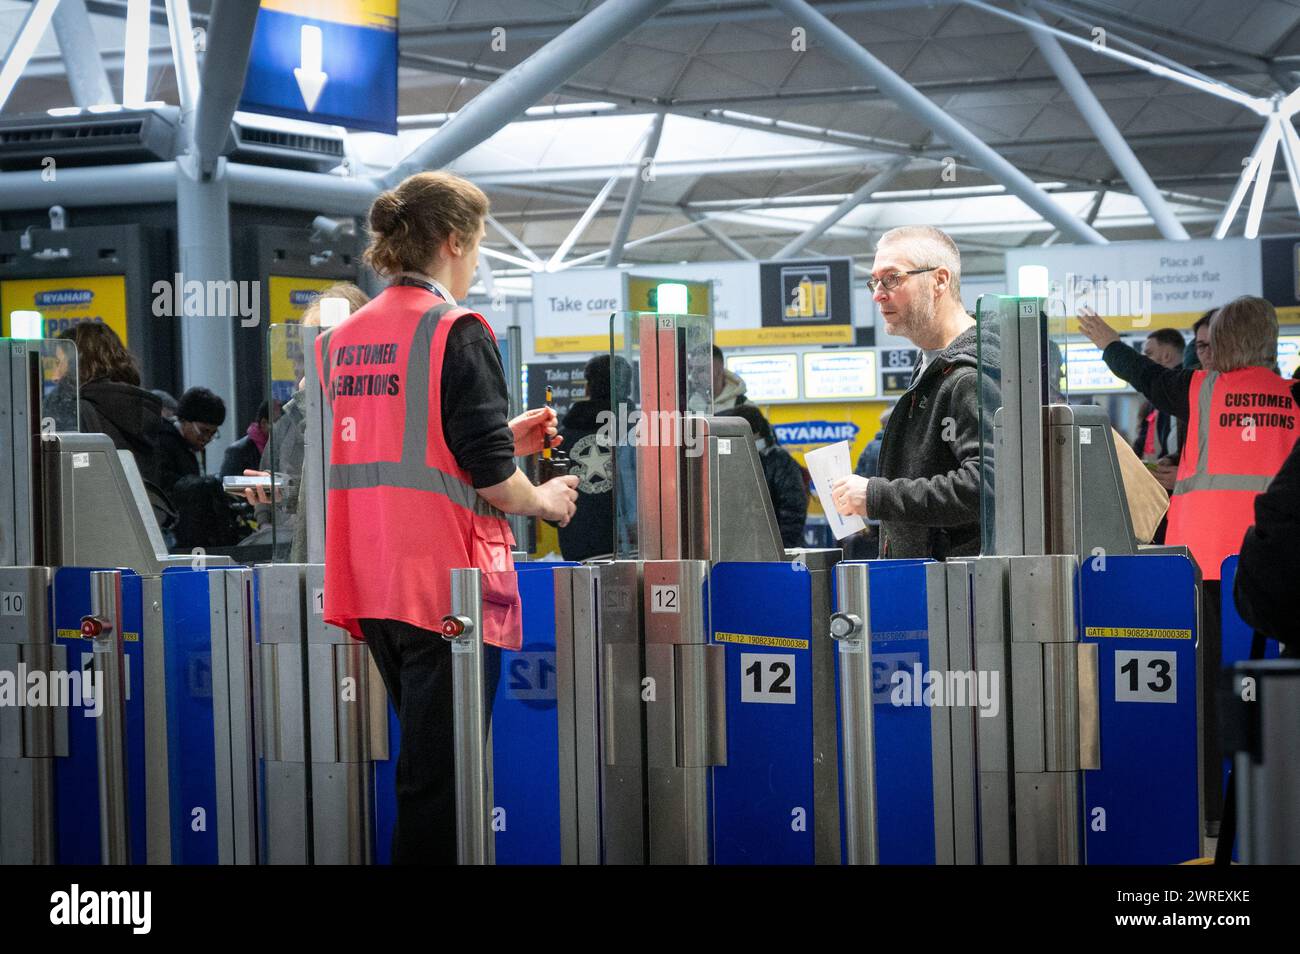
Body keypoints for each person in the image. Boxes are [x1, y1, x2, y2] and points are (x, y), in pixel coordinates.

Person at [317, 170, 578, 864]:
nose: (480, 256)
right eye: (481, 240)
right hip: (443, 589)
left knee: (430, 771)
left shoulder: (342, 340)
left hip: (370, 580)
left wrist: (501, 441)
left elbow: (404, 444)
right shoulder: (454, 328)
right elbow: (494, 480)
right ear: (454, 239)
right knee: (442, 784)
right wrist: (544, 499)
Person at [1079, 295, 1299, 834]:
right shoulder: (1295, 398)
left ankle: (1214, 810)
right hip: (1273, 570)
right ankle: (1270, 805)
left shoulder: (1199, 390)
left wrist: (1108, 341)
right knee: (1271, 687)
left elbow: (1144, 375)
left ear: (1221, 342)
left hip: (1200, 567)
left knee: (1204, 695)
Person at [829, 226, 982, 560]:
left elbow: (983, 487)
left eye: (893, 278)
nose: (878, 294)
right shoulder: (932, 365)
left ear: (940, 280)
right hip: (925, 581)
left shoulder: (969, 375)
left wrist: (876, 495)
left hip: (957, 592)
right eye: (875, 281)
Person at [53, 323, 169, 488]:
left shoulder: (78, 411)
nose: (54, 376)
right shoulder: (140, 408)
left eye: (59, 363)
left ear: (79, 365)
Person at [556, 354, 632, 561]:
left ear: (588, 388)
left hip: (578, 552)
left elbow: (551, 507)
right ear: (628, 388)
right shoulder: (643, 434)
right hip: (632, 549)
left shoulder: (562, 438)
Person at [722, 403, 807, 549]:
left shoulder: (780, 461)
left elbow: (793, 512)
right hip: (742, 550)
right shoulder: (732, 459)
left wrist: (780, 549)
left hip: (775, 550)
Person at [155, 386, 225, 495]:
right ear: (185, 420)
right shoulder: (163, 441)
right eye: (203, 431)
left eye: (212, 433)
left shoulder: (194, 445)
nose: (207, 439)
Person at [844, 409, 890, 560]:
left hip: (869, 510)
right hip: (890, 508)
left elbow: (857, 475)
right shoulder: (896, 446)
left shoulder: (870, 447)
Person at [221, 399, 281, 478]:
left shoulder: (280, 446)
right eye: (278, 422)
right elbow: (227, 484)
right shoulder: (238, 451)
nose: (282, 428)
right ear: (264, 423)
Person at [712, 345, 748, 412]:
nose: (694, 374)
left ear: (719, 370)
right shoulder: (690, 404)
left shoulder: (744, 407)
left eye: (701, 369)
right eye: (691, 368)